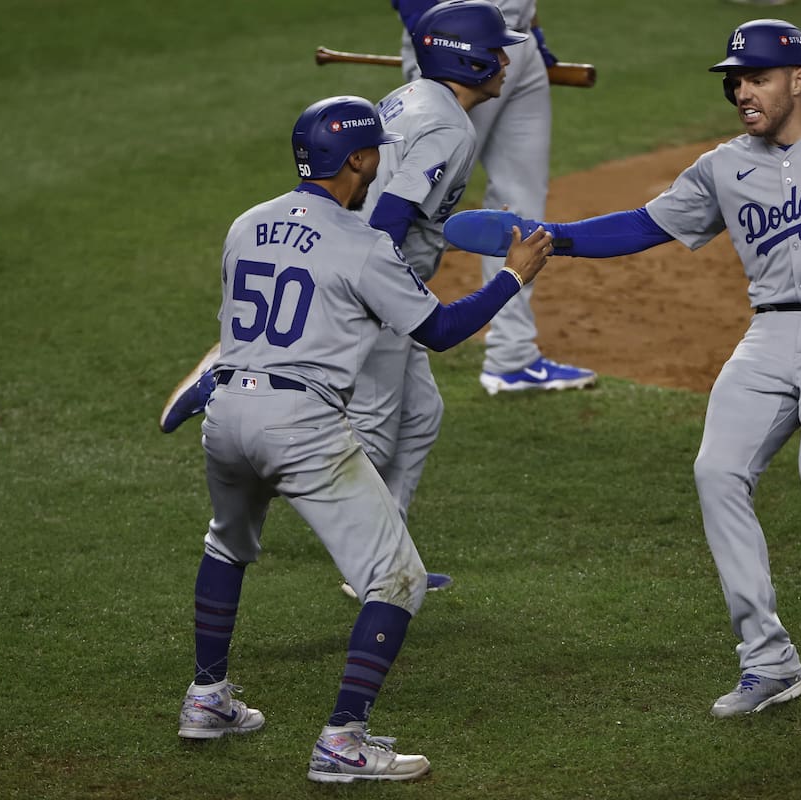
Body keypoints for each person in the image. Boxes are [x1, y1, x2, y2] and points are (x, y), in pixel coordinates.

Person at [442, 18, 801, 716]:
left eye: (757, 76)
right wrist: (552, 237)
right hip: (768, 335)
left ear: (798, 79)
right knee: (716, 471)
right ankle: (768, 659)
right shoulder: (723, 166)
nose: (742, 90)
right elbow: (641, 226)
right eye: (734, 79)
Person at [175, 93, 553, 785]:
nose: (383, 161)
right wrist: (513, 275)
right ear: (357, 159)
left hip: (228, 411)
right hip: (300, 426)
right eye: (376, 150)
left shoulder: (245, 224)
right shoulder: (362, 245)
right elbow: (438, 331)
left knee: (226, 543)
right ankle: (343, 742)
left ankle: (206, 699)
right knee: (398, 579)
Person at [159, 0, 531, 592]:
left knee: (423, 415)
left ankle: (391, 557)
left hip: (364, 271)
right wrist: (379, 284)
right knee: (375, 428)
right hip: (372, 289)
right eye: (499, 49)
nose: (510, 59)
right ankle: (375, 572)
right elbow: (388, 218)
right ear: (471, 59)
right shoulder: (446, 126)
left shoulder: (410, 95)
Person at [393, 0, 597, 395]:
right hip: (459, 45)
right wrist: (428, 38)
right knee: (421, 205)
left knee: (521, 200)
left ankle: (512, 356)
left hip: (514, 40)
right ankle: (374, 334)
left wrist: (531, 32)